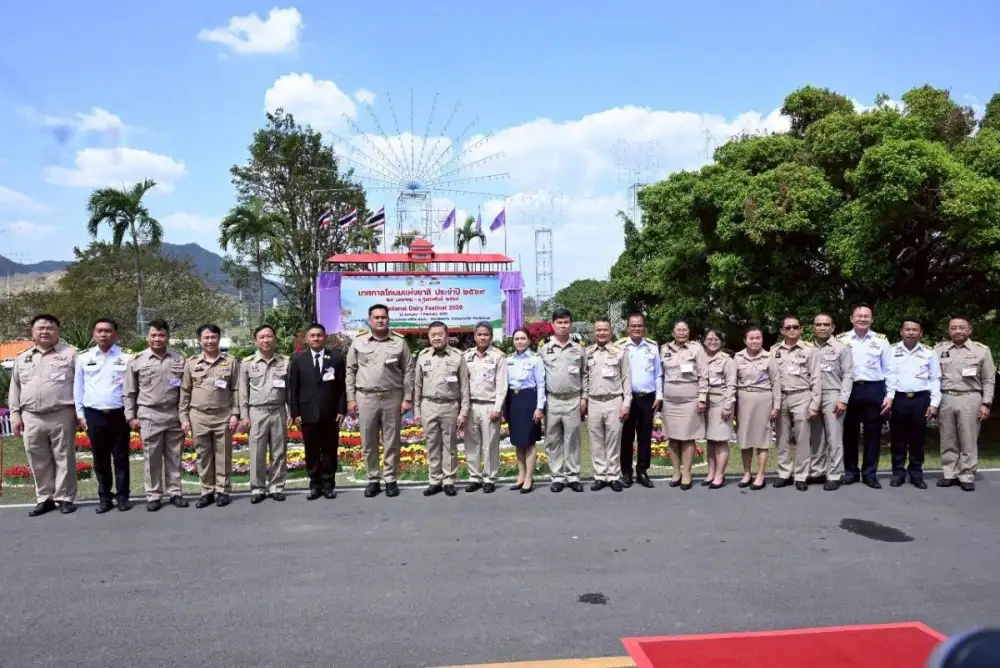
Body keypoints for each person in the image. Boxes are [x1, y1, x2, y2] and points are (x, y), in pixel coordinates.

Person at [7, 314, 79, 516]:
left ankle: (65, 498)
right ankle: (44, 498)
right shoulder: (22, 358)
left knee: (64, 457)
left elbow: (81, 386)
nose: (45, 331)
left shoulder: (71, 355)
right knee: (37, 458)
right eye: (40, 328)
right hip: (31, 416)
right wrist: (15, 415)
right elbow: (15, 388)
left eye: (50, 327)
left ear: (58, 331)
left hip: (62, 413)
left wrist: (79, 413)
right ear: (32, 332)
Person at [346, 304, 414, 499]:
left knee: (392, 441)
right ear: (369, 320)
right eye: (376, 317)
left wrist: (407, 398)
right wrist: (351, 398)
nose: (380, 320)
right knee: (368, 440)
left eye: (383, 317)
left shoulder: (399, 342)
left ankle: (391, 479)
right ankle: (373, 479)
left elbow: (408, 371)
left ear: (388, 319)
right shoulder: (359, 342)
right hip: (365, 397)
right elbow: (350, 370)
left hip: (391, 396)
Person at [123, 318, 189, 512]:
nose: (158, 338)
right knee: (151, 456)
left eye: (161, 335)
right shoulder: (137, 361)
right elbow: (129, 391)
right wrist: (130, 416)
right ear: (147, 337)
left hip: (174, 413)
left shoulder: (179, 359)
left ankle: (175, 492)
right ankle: (153, 495)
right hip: (149, 413)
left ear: (168, 337)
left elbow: (186, 388)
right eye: (154, 335)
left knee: (174, 455)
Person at [74, 317, 132, 513]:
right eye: (99, 331)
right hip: (94, 414)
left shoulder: (127, 358)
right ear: (93, 334)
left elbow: (132, 389)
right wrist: (80, 414)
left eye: (108, 331)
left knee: (121, 457)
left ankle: (123, 496)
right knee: (100, 459)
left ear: (116, 335)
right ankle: (105, 497)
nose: (103, 334)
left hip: (119, 414)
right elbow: (78, 388)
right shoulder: (83, 358)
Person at [179, 323, 240, 508]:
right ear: (199, 340)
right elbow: (185, 391)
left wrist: (235, 414)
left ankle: (222, 491)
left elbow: (236, 389)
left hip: (223, 415)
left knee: (223, 455)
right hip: (198, 416)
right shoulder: (191, 363)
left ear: (219, 339)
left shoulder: (230, 362)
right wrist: (184, 418)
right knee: (203, 455)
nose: (210, 341)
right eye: (206, 338)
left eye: (213, 337)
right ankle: (206, 491)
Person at [935, 316, 995, 492]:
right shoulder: (939, 350)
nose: (958, 331)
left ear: (969, 330)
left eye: (962, 327)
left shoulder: (981, 351)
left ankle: (966, 474)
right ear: (949, 330)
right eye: (954, 328)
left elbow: (989, 380)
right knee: (948, 438)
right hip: (946, 397)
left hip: (971, 398)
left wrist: (986, 403)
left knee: (968, 438)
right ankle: (949, 473)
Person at [837, 303, 894, 489]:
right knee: (849, 433)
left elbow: (889, 370)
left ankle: (870, 473)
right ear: (851, 319)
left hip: (874, 389)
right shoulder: (841, 340)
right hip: (849, 390)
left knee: (873, 433)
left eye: (866, 316)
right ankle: (851, 471)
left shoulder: (881, 340)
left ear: (872, 319)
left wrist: (890, 395)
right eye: (858, 316)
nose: (862, 319)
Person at [289, 323, 346, 500]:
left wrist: (341, 409)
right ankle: (315, 485)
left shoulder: (335, 358)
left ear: (325, 337)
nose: (316, 338)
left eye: (319, 335)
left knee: (329, 450)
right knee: (311, 451)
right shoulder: (299, 360)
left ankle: (329, 485)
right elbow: (293, 389)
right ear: (307, 338)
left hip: (330, 414)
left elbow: (342, 387)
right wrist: (295, 413)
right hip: (307, 415)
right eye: (312, 335)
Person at [414, 321, 470, 497]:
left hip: (450, 405)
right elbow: (417, 385)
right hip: (428, 405)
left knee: (450, 445)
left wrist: (464, 411)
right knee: (432, 444)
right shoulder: (423, 357)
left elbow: (464, 387)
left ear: (447, 336)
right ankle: (435, 480)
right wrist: (416, 410)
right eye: (433, 335)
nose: (436, 337)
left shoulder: (457, 356)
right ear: (428, 337)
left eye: (440, 334)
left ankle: (449, 480)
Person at [239, 325, 292, 503]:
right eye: (262, 337)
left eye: (269, 336)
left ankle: (276, 486)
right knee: (257, 452)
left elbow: (290, 391)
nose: (266, 340)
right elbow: (243, 392)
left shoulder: (284, 362)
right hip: (257, 412)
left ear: (275, 339)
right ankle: (257, 488)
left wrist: (290, 412)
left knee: (279, 451)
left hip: (278, 411)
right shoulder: (247, 363)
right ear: (256, 341)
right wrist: (244, 415)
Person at [887, 317, 940, 489]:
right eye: (907, 329)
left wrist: (934, 403)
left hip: (920, 399)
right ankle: (898, 473)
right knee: (897, 439)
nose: (910, 332)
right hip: (898, 399)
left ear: (921, 332)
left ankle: (916, 474)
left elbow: (935, 379)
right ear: (901, 331)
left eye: (914, 329)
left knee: (918, 439)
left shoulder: (929, 352)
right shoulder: (891, 350)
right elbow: (887, 376)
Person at [770, 315, 822, 491]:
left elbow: (816, 378)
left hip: (802, 396)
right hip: (780, 397)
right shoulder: (774, 350)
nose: (791, 330)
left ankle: (801, 475)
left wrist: (815, 404)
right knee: (782, 438)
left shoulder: (809, 350)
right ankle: (784, 473)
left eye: (795, 327)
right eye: (788, 327)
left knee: (802, 438)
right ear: (782, 330)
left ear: (801, 329)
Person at [540, 308, 588, 493]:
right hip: (552, 400)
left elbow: (585, 374)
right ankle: (557, 476)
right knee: (553, 439)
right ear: (552, 325)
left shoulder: (578, 348)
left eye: (566, 322)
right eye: (559, 322)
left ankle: (573, 475)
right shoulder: (544, 349)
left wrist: (584, 398)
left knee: (573, 439)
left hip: (573, 400)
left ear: (570, 324)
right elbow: (540, 377)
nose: (562, 325)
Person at [659, 319, 707, 490]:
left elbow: (703, 375)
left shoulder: (696, 349)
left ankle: (687, 473)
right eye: (678, 330)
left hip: (689, 401)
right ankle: (676, 472)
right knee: (672, 438)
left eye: (684, 330)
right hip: (670, 401)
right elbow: (660, 375)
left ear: (689, 332)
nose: (681, 333)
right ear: (673, 332)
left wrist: (702, 398)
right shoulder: (664, 349)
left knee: (688, 438)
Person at [462, 321, 508, 493]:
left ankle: (489, 478)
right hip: (471, 406)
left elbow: (502, 386)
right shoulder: (466, 356)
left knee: (490, 445)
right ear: (474, 336)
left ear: (491, 336)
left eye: (486, 334)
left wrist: (497, 408)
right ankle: (474, 477)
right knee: (471, 444)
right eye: (479, 334)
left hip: (490, 406)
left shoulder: (498, 357)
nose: (483, 337)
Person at [810, 313, 854, 491]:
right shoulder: (806, 348)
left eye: (826, 324)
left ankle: (835, 474)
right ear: (813, 327)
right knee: (816, 437)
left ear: (832, 327)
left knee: (834, 437)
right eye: (818, 324)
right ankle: (817, 471)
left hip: (832, 394)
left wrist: (843, 400)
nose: (822, 327)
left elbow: (848, 374)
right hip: (812, 395)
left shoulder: (842, 348)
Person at [618, 313, 662, 489]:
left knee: (644, 437)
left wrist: (659, 396)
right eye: (633, 326)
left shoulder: (652, 347)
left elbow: (658, 373)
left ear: (644, 328)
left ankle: (642, 471)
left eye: (640, 326)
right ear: (627, 328)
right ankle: (626, 473)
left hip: (647, 398)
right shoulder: (620, 347)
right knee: (626, 437)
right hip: (627, 399)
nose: (636, 329)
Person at [585, 318, 630, 492]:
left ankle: (613, 476)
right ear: (594, 332)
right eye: (598, 330)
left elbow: (626, 378)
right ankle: (600, 476)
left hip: (614, 400)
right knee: (596, 440)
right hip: (594, 401)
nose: (602, 333)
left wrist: (626, 403)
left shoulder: (620, 351)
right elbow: (584, 378)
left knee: (613, 440)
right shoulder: (588, 352)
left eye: (605, 330)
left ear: (611, 332)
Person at [734, 326, 777, 490]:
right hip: (743, 400)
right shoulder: (737, 357)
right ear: (745, 340)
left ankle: (760, 475)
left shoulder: (769, 357)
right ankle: (747, 473)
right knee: (745, 440)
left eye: (758, 338)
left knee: (762, 440)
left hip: (763, 400)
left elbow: (776, 382)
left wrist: (776, 406)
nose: (755, 341)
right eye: (751, 338)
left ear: (762, 340)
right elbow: (732, 381)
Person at [504, 327, 545, 493]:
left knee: (529, 442)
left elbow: (541, 384)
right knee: (517, 442)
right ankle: (520, 476)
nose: (519, 341)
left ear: (529, 340)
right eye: (516, 339)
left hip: (529, 400)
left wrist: (539, 407)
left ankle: (529, 477)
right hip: (513, 400)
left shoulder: (536, 360)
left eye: (523, 338)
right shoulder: (507, 360)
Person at [702, 329, 735, 488]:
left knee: (720, 440)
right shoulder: (700, 358)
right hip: (705, 403)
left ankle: (720, 475)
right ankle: (711, 472)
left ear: (721, 342)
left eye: (716, 339)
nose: (712, 341)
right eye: (709, 338)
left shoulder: (727, 360)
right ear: (703, 341)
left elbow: (731, 384)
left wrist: (728, 406)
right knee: (710, 440)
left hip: (721, 402)